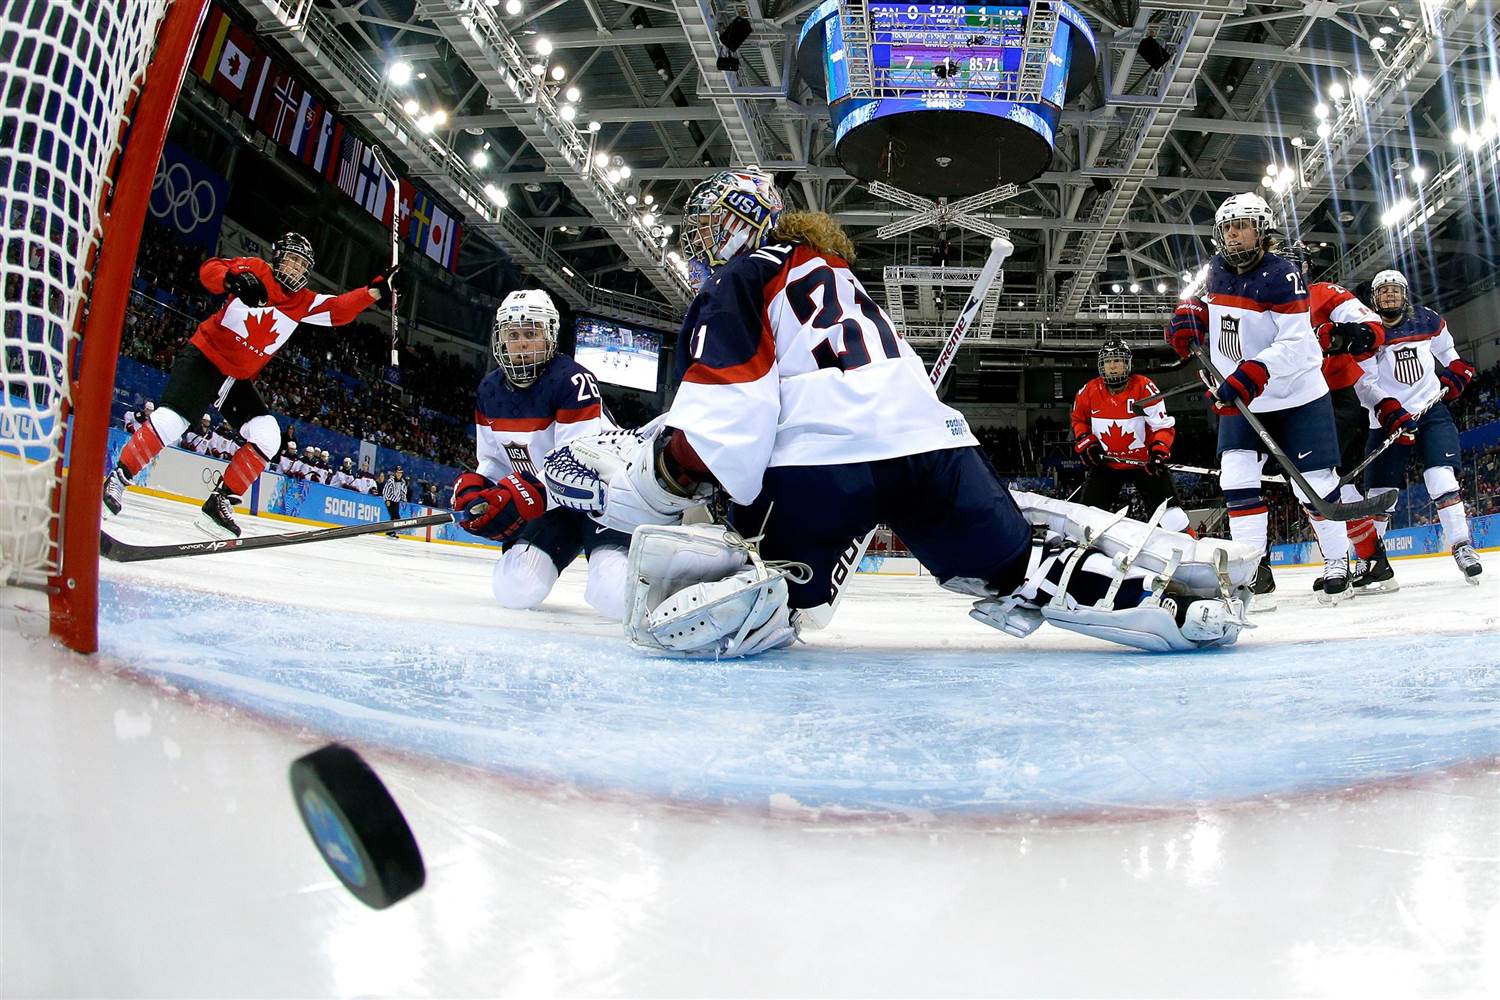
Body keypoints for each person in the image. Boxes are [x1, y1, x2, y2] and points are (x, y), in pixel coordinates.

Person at [544, 168, 1257, 657]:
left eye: (708, 227)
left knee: (773, 592)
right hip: (934, 443)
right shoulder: (838, 275)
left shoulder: (743, 276)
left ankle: (777, 584)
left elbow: (726, 420)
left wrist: (654, 483)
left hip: (821, 463)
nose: (700, 243)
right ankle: (1173, 603)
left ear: (741, 223)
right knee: (1013, 564)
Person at [102, 232, 397, 537]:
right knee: (171, 421)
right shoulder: (256, 268)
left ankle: (220, 502)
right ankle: (118, 479)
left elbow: (338, 309)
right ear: (278, 258)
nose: (294, 269)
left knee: (268, 436)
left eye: (301, 265)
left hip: (236, 379)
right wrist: (232, 279)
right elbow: (210, 269)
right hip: (205, 358)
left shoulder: (303, 302)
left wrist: (374, 291)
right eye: (291, 260)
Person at [1165, 192, 1353, 606]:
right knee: (1235, 478)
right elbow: (1214, 315)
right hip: (1242, 395)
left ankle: (1338, 561)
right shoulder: (1215, 270)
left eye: (1242, 226)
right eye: (1227, 228)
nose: (1233, 235)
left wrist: (1255, 372)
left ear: (1262, 231)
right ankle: (1248, 573)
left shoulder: (1282, 275)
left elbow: (1301, 345)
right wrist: (1191, 319)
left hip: (1295, 394)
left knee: (1315, 486)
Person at [449, 289, 630, 620]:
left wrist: (521, 494)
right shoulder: (489, 390)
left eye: (531, 334)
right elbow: (492, 459)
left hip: (603, 504)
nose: (521, 343)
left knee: (614, 595)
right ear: (500, 339)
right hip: (553, 504)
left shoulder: (572, 380)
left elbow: (580, 465)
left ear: (550, 336)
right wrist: (479, 485)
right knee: (515, 589)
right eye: (513, 335)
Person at [1281, 241, 1394, 593]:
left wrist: (1349, 335)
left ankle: (1340, 563)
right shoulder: (1264, 308)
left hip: (1334, 397)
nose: (1290, 271)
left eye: (1296, 264)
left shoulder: (1324, 294)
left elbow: (1371, 326)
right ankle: (1370, 559)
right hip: (1291, 403)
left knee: (1322, 482)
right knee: (1321, 486)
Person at [1356, 269, 1481, 582]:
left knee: (1440, 476)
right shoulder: (1367, 331)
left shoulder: (1427, 320)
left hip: (1429, 412)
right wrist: (1389, 411)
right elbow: (1364, 384)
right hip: (1387, 420)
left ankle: (1462, 546)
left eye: (1395, 290)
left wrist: (1456, 371)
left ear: (1405, 293)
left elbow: (1449, 354)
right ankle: (1370, 560)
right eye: (1383, 290)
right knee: (1380, 495)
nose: (1389, 295)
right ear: (1374, 298)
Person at [1070, 338, 1192, 533]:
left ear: (1127, 364)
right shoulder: (1089, 391)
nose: (1112, 366)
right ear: (1101, 366)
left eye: (1117, 361)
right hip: (1106, 464)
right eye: (1108, 361)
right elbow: (1079, 420)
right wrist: (1087, 444)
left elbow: (1162, 426)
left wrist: (1158, 453)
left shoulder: (1144, 387)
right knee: (1087, 516)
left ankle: (1191, 549)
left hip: (1144, 463)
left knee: (1172, 516)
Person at [382, 466, 408, 537]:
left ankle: (390, 531)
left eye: (400, 473)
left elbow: (403, 492)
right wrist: (387, 499)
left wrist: (404, 499)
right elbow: (385, 490)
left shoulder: (403, 482)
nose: (399, 474)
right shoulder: (391, 480)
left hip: (396, 501)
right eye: (397, 472)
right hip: (390, 500)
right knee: (395, 516)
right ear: (395, 473)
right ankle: (390, 531)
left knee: (394, 517)